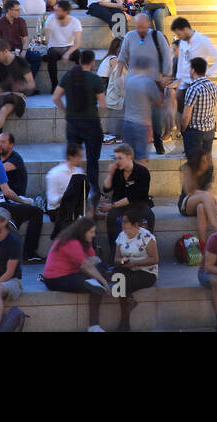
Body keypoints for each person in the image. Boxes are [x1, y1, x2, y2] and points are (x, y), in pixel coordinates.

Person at [41, 216, 111, 332]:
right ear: (83, 231)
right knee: (97, 286)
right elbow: (87, 266)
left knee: (102, 266)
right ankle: (94, 327)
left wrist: (92, 264)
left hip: (73, 273)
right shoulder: (72, 242)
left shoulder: (84, 242)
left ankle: (97, 281)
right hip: (56, 279)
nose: (94, 235)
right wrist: (104, 282)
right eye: (91, 232)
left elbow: (94, 260)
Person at [54, 49, 107, 197]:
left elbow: (55, 97)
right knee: (92, 162)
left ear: (79, 61)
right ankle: (93, 195)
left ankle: (73, 194)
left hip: (72, 124)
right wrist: (99, 118)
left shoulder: (68, 76)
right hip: (92, 124)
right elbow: (103, 105)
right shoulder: (95, 79)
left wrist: (66, 112)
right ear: (92, 63)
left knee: (72, 160)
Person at [110, 207, 160, 331]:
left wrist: (135, 263)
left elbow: (155, 259)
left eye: (125, 221)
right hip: (128, 268)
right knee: (117, 274)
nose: (122, 224)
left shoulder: (146, 236)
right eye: (122, 221)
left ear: (135, 224)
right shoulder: (122, 235)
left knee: (122, 283)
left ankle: (124, 321)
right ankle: (129, 303)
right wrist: (123, 261)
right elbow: (116, 259)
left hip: (146, 271)